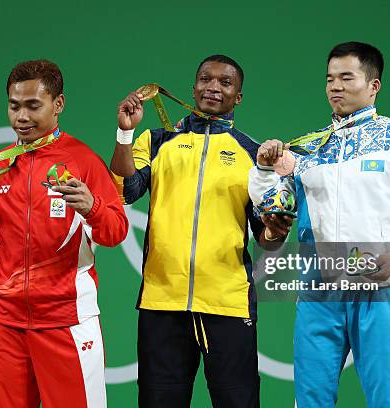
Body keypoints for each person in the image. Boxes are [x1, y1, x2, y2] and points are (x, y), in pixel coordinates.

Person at [248, 42, 390, 407]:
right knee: (310, 401)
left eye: (346, 77)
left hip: (379, 289)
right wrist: (262, 168)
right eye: (329, 79)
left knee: (387, 399)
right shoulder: (308, 149)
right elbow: (271, 207)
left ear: (374, 86)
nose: (335, 86)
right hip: (317, 295)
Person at [0, 59, 128, 408]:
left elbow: (115, 232)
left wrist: (91, 207)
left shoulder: (82, 161)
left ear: (58, 105)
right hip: (4, 322)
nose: (22, 116)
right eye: (14, 105)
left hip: (66, 321)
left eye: (33, 105)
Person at [111, 54, 291, 408]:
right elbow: (124, 191)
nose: (213, 87)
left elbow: (267, 239)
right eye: (206, 79)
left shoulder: (253, 154)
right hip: (161, 302)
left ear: (238, 96)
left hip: (227, 303)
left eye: (225, 82)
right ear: (193, 87)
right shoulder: (159, 140)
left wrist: (277, 230)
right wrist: (125, 133)